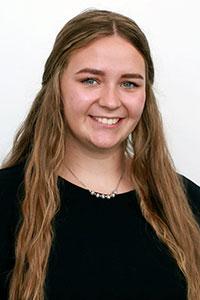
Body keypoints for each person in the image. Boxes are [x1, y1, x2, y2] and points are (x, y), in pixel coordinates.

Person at [0, 8, 199, 300]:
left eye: (129, 83)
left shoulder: (188, 205)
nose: (110, 101)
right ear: (56, 87)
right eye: (90, 80)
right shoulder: (6, 200)